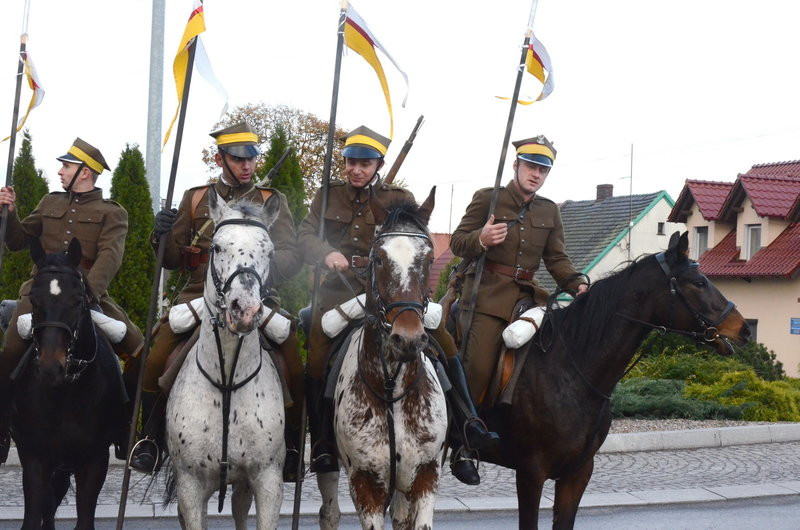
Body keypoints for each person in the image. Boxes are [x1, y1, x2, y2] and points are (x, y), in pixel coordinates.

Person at [297, 126, 497, 479]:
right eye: (351, 162)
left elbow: (415, 238)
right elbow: (305, 235)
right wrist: (326, 252)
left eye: (365, 163)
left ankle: (467, 426)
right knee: (316, 350)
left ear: (379, 164)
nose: (357, 169)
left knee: (442, 341)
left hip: (392, 289)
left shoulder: (397, 197)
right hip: (340, 289)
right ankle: (323, 444)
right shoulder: (327, 196)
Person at [128, 122, 306, 481]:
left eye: (252, 158)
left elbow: (290, 256)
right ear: (219, 157)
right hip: (200, 295)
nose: (247, 165)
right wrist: (159, 236)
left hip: (257, 295)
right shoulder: (196, 198)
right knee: (155, 354)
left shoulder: (271, 201)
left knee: (293, 359)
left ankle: (291, 446)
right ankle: (150, 439)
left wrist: (263, 259)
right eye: (238, 158)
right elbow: (173, 259)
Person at [450, 135, 589, 477]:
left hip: (528, 296)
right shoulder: (488, 199)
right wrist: (480, 240)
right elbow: (457, 242)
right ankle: (462, 443)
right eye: (531, 166)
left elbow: (556, 259)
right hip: (485, 296)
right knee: (479, 366)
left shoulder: (549, 210)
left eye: (543, 169)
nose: (536, 174)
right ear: (516, 166)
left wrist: (577, 283)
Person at [0, 138, 144, 463]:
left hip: (86, 293)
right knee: (9, 351)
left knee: (139, 349)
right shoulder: (49, 202)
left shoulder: (111, 212)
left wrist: (85, 293)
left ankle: (127, 434)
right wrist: (8, 212)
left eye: (66, 166)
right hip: (40, 294)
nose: (60, 171)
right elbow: (20, 240)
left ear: (85, 172)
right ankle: (2, 430)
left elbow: (110, 256)